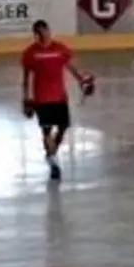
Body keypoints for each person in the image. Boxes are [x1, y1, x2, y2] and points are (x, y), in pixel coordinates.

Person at [20, 19, 94, 182]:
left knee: (63, 127)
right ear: (35, 35)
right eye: (39, 33)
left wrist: (82, 80)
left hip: (60, 96)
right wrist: (26, 98)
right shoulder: (30, 53)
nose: (43, 35)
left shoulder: (60, 49)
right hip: (41, 98)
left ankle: (51, 153)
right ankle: (53, 162)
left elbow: (71, 67)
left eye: (45, 31)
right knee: (46, 130)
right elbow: (26, 78)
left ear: (49, 31)